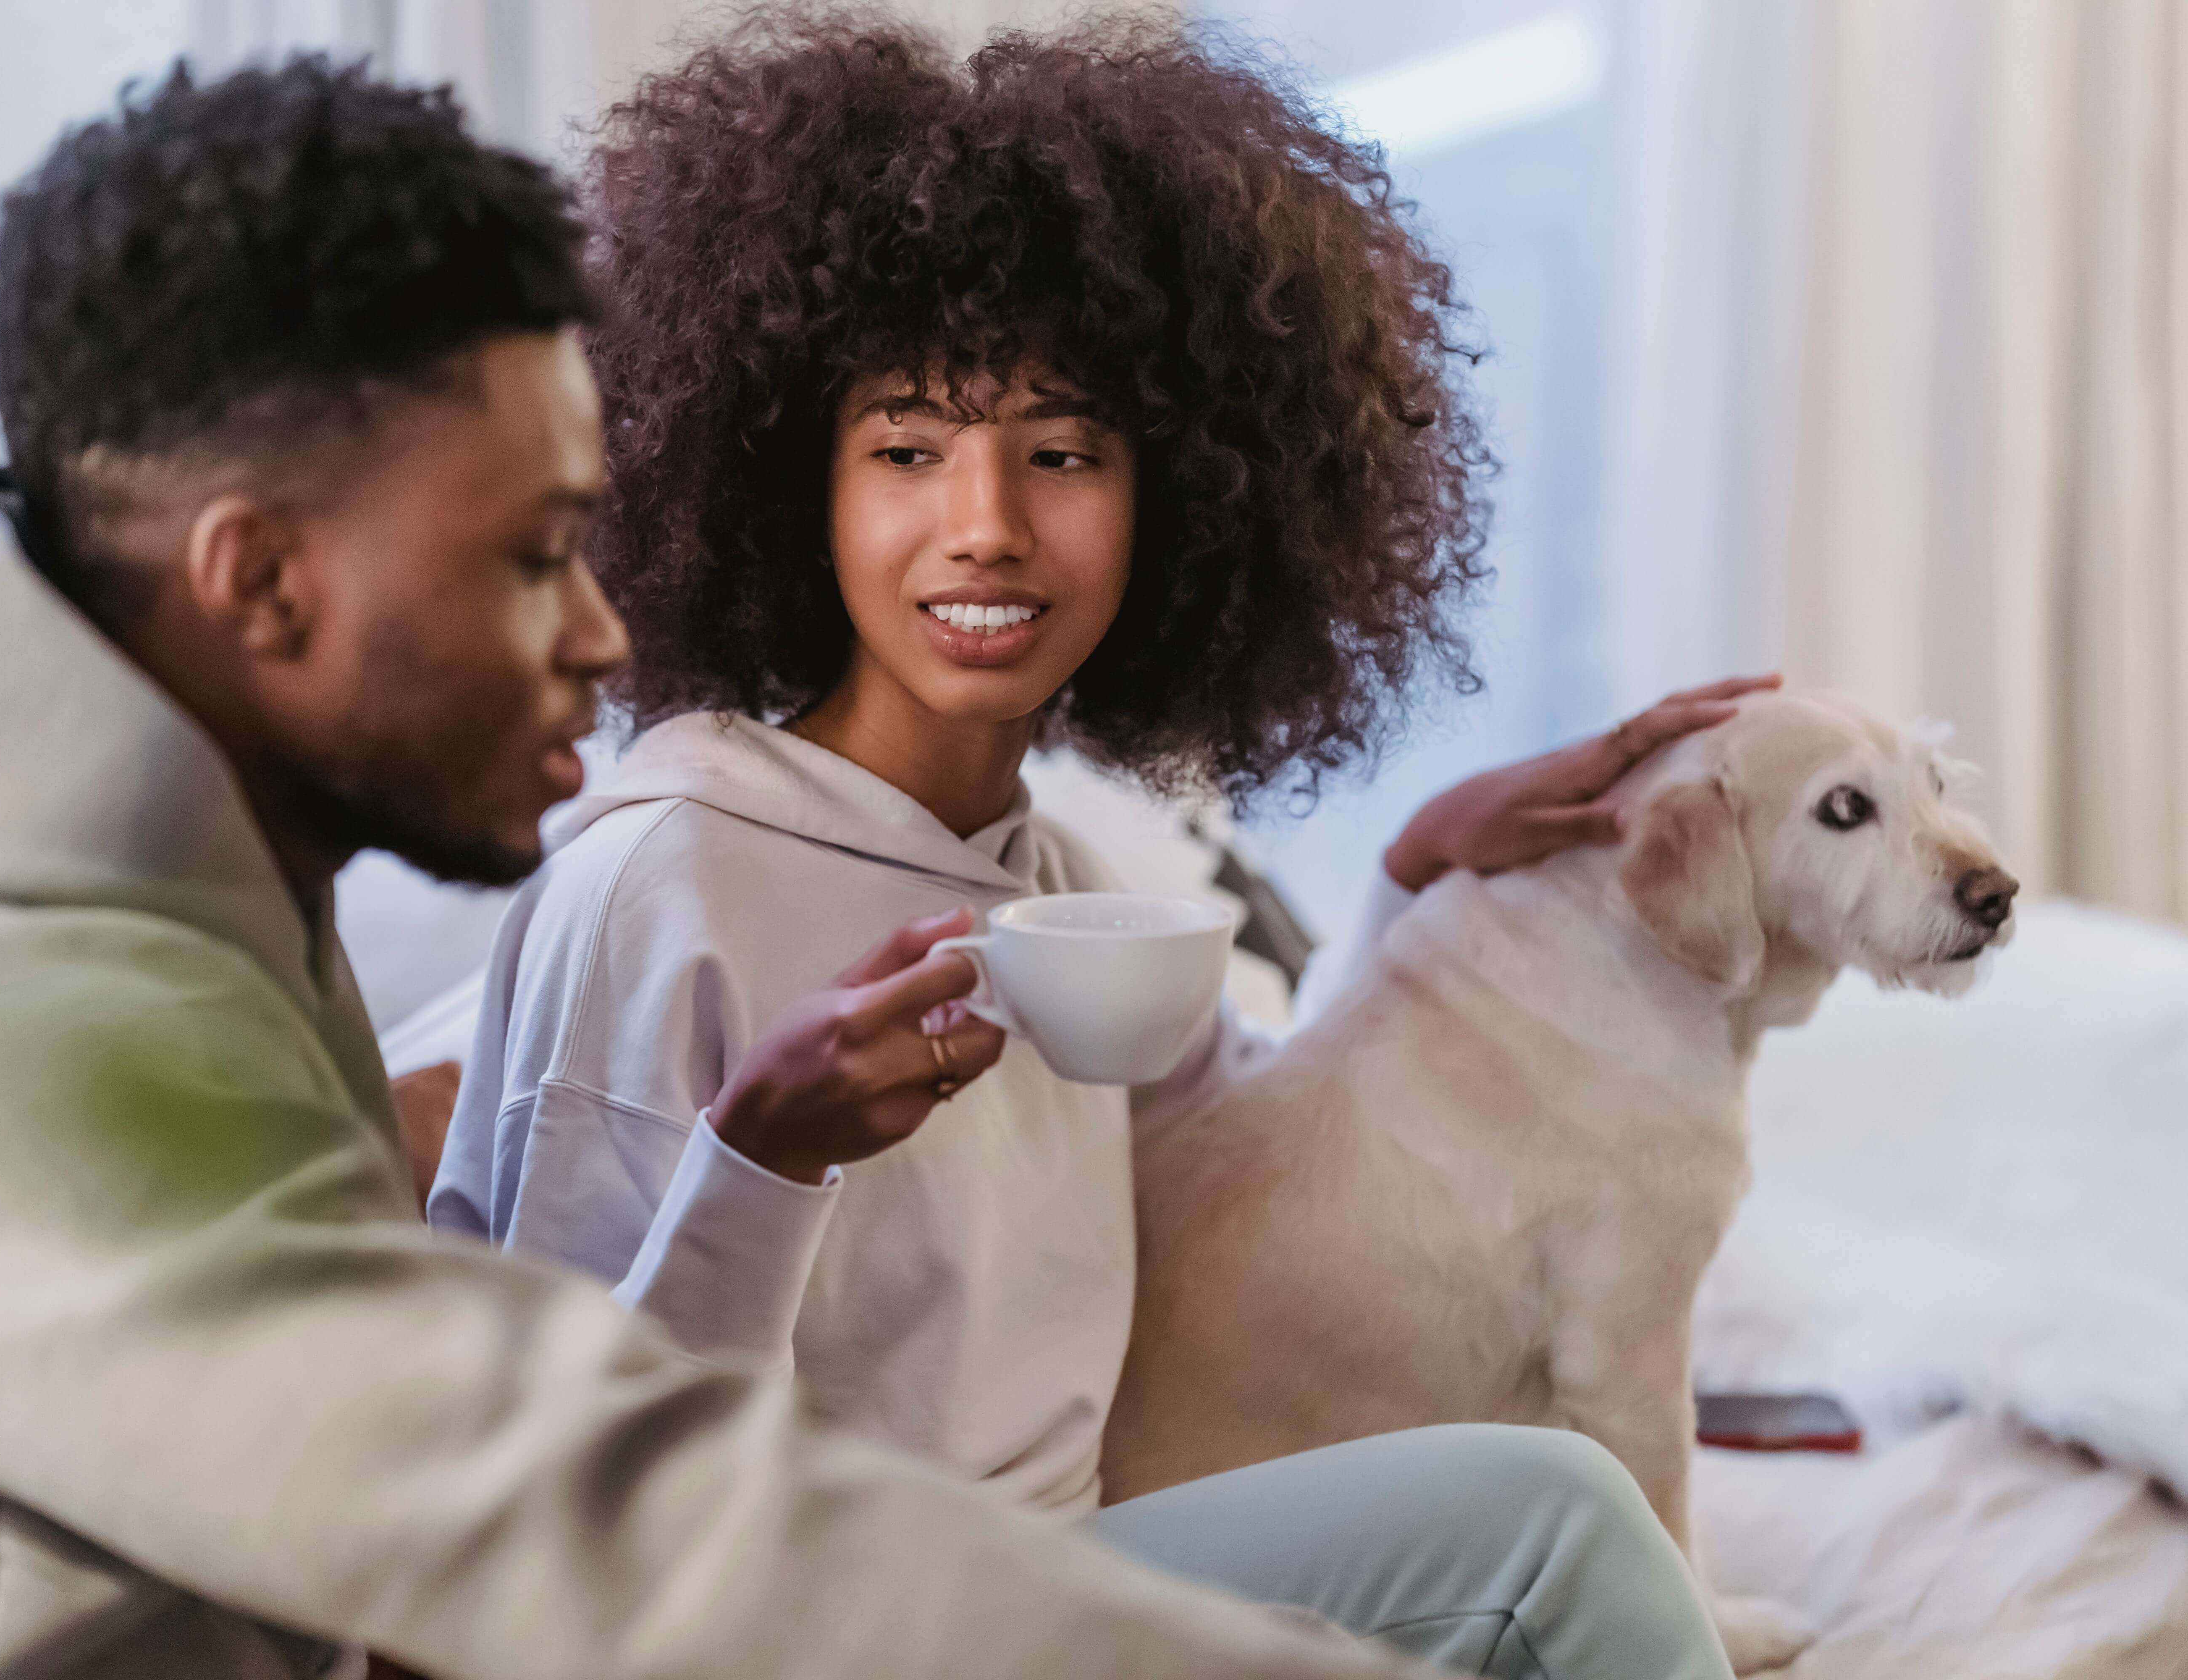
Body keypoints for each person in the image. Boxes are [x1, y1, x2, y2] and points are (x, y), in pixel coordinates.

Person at [0, 58, 1440, 1680]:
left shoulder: (141, 858)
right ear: (261, 581)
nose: (604, 637)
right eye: (534, 558)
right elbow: (594, 1537)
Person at [433, 14, 1768, 1678]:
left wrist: (1422, 875)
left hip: (1056, 1581)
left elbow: (1263, 1157)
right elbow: (583, 1512)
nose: (987, 525)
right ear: (791, 488)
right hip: (811, 1624)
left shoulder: (1049, 880)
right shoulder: (665, 880)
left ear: (1182, 500)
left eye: (1063, 454)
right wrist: (764, 1155)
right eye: (906, 451)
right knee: (1555, 1521)